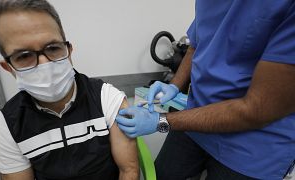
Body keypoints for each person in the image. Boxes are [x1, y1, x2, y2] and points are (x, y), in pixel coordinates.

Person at [116, 1, 295, 179]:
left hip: (254, 145)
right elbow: (196, 45)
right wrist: (174, 85)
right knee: (164, 173)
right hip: (195, 119)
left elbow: (256, 110)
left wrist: (159, 122)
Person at [0, 0, 139, 179]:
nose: (45, 63)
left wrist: (162, 122)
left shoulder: (107, 98)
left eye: (53, 48)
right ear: (9, 67)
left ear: (68, 50)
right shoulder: (9, 124)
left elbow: (128, 171)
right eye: (24, 56)